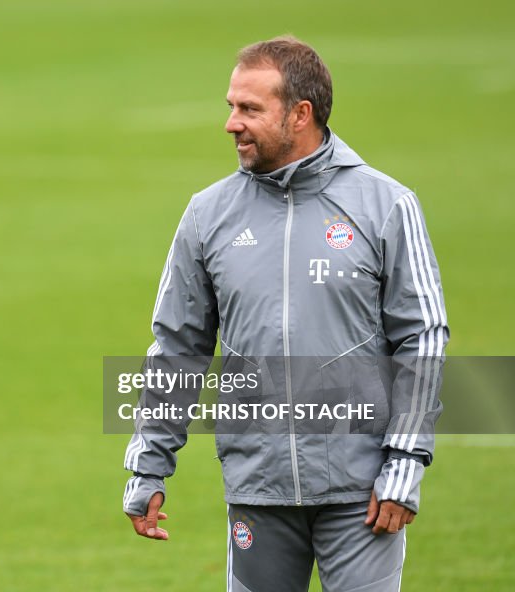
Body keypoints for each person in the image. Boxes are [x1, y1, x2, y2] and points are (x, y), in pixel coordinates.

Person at [122, 37, 447, 591]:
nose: (231, 123)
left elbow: (423, 340)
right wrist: (149, 465)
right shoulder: (208, 214)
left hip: (362, 493)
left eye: (250, 108)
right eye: (231, 105)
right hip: (258, 488)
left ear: (301, 114)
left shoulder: (386, 204)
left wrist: (405, 462)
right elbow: (176, 347)